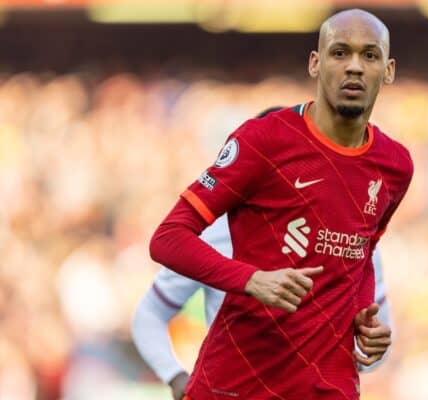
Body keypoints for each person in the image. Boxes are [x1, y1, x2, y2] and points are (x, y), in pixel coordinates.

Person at [149, 8, 413, 399]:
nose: (354, 67)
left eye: (369, 55)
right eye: (340, 53)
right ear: (315, 63)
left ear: (388, 70)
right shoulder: (265, 141)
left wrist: (363, 319)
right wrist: (251, 279)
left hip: (328, 387)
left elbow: (362, 250)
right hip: (235, 384)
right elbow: (168, 238)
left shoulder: (395, 166)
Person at [133, 215, 392, 400]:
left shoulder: (355, 241)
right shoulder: (219, 229)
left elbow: (372, 351)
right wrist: (176, 376)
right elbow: (150, 314)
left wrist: (372, 347)